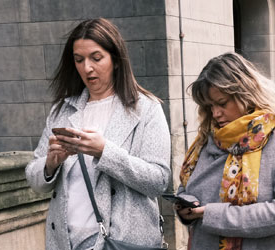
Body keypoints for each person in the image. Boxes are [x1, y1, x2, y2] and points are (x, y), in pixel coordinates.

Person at [25, 18, 170, 250]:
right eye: (79, 60)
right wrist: (50, 164)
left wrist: (104, 152)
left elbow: (158, 180)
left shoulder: (146, 109)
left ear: (116, 60)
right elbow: (34, 177)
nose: (87, 68)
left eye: (96, 58)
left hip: (121, 242)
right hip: (66, 242)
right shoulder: (62, 110)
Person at [176, 52, 275, 249]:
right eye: (210, 106)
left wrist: (213, 215)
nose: (215, 113)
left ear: (246, 95)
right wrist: (188, 205)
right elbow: (186, 187)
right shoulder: (207, 140)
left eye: (222, 103)